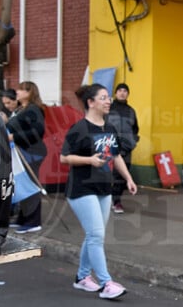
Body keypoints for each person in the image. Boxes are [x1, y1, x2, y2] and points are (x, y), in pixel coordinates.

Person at [60, 84, 137, 300]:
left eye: (108, 97)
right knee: (96, 235)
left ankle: (82, 278)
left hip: (104, 187)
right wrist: (89, 160)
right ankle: (106, 283)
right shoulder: (79, 129)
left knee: (93, 235)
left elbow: (116, 156)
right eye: (103, 97)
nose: (108, 101)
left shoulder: (109, 128)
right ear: (90, 102)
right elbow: (64, 157)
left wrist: (128, 179)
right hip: (81, 188)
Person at [6, 81, 47, 234]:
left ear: (30, 92)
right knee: (22, 184)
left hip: (32, 152)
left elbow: (38, 132)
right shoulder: (20, 109)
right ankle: (23, 217)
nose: (17, 91)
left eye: (22, 89)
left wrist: (13, 137)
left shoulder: (34, 110)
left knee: (30, 185)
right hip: (21, 152)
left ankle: (33, 220)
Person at [106, 83, 139, 214]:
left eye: (125, 91)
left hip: (126, 148)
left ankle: (117, 201)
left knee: (122, 176)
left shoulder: (131, 111)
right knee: (107, 175)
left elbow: (135, 128)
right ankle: (105, 199)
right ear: (115, 93)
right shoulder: (108, 108)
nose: (122, 93)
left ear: (128, 94)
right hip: (109, 147)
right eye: (120, 90)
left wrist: (133, 141)